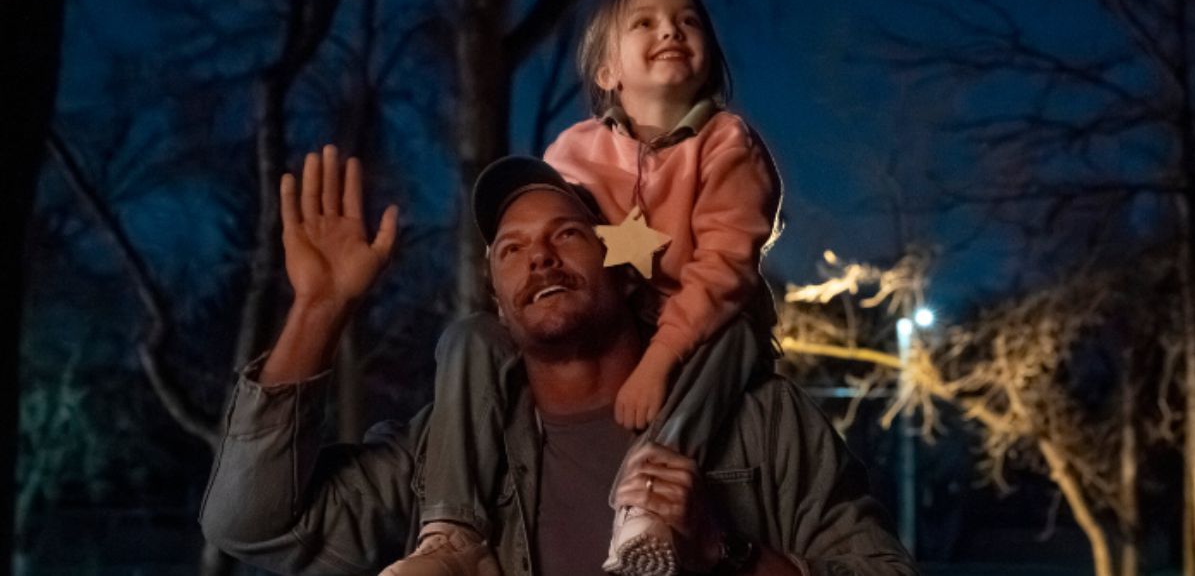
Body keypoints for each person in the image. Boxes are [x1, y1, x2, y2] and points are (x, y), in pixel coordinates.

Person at [199, 148, 916, 576]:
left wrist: (721, 552)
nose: (537, 255)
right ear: (498, 299)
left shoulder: (757, 421)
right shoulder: (447, 444)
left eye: (567, 233)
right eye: (510, 249)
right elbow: (251, 526)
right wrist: (318, 312)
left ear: (624, 267)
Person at [401, 0, 783, 576]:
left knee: (734, 336)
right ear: (608, 73)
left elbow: (724, 265)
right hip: (616, 317)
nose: (671, 30)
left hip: (706, 321)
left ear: (709, 59)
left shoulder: (727, 144)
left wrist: (659, 360)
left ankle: (648, 501)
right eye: (646, 22)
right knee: (469, 337)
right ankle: (452, 531)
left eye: (688, 20)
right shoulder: (573, 152)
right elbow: (549, 238)